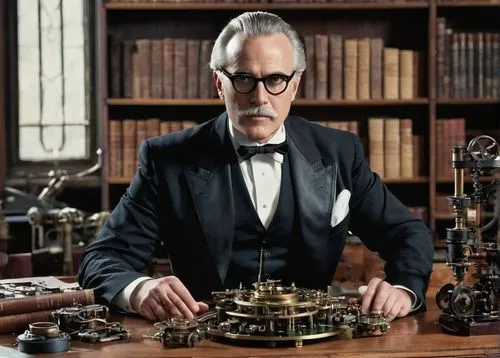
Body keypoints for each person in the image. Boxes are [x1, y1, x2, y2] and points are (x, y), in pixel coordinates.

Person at [78, 11, 433, 323]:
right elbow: (103, 258)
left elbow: (408, 234)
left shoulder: (339, 152)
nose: (260, 98)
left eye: (275, 80)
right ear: (220, 83)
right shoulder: (167, 159)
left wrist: (402, 289)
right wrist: (140, 290)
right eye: (243, 79)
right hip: (204, 344)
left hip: (313, 341)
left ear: (294, 85)